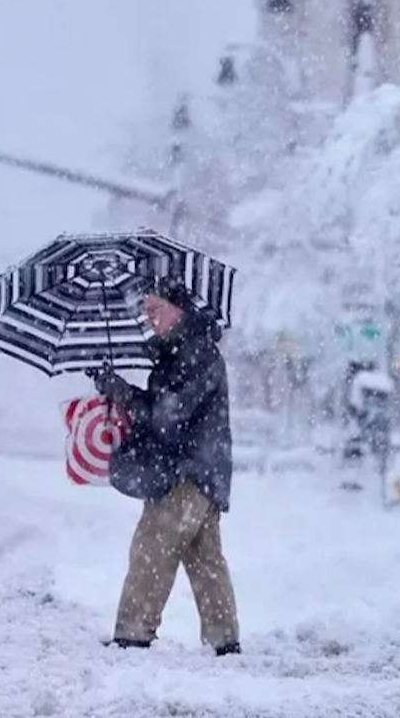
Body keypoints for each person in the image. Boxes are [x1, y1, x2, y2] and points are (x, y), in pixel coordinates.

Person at [92, 277, 240, 656]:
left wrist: (124, 394)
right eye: (147, 312)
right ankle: (224, 642)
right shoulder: (183, 353)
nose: (150, 318)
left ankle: (132, 635)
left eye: (156, 310)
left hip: (186, 473)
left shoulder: (194, 354)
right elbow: (165, 408)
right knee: (205, 560)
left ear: (180, 309)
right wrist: (120, 389)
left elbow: (168, 416)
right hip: (203, 472)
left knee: (150, 548)